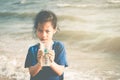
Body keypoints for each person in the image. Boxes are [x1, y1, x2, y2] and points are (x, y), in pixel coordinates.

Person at [24, 10, 68, 80]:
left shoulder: (59, 47)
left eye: (47, 31)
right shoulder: (32, 49)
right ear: (36, 30)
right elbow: (32, 72)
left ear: (54, 30)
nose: (44, 35)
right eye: (40, 30)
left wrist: (51, 62)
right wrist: (39, 63)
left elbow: (60, 71)